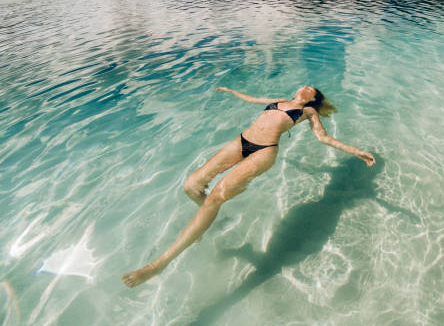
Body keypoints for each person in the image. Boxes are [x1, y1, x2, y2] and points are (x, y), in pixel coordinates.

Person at [121, 86, 375, 287]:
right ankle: (204, 223)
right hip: (241, 141)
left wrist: (356, 151)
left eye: (312, 89)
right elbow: (251, 99)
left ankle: (159, 264)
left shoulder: (309, 112)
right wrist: (232, 92)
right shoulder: (279, 99)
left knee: (214, 199)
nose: (307, 86)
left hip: (263, 152)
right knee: (191, 186)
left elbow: (323, 137)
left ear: (313, 98)